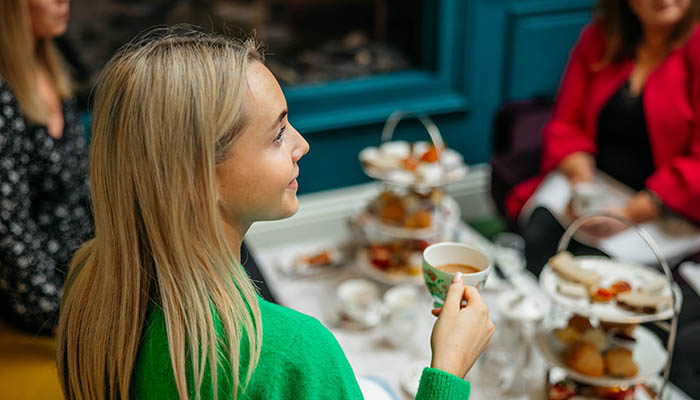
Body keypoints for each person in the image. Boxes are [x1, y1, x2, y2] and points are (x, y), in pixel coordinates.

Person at [56, 28, 495, 399]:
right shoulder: (290, 352)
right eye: (278, 134)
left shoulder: (89, 280)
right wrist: (449, 370)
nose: (301, 144)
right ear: (194, 179)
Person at [504, 0, 700, 273]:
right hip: (595, 180)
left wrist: (629, 215)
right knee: (540, 234)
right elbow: (565, 123)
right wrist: (584, 191)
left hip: (666, 206)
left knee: (594, 271)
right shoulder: (599, 37)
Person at [0, 0, 93, 334]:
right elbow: (9, 230)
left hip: (83, 269)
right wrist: (62, 314)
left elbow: (82, 189)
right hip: (42, 293)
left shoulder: (52, 69)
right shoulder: (3, 92)